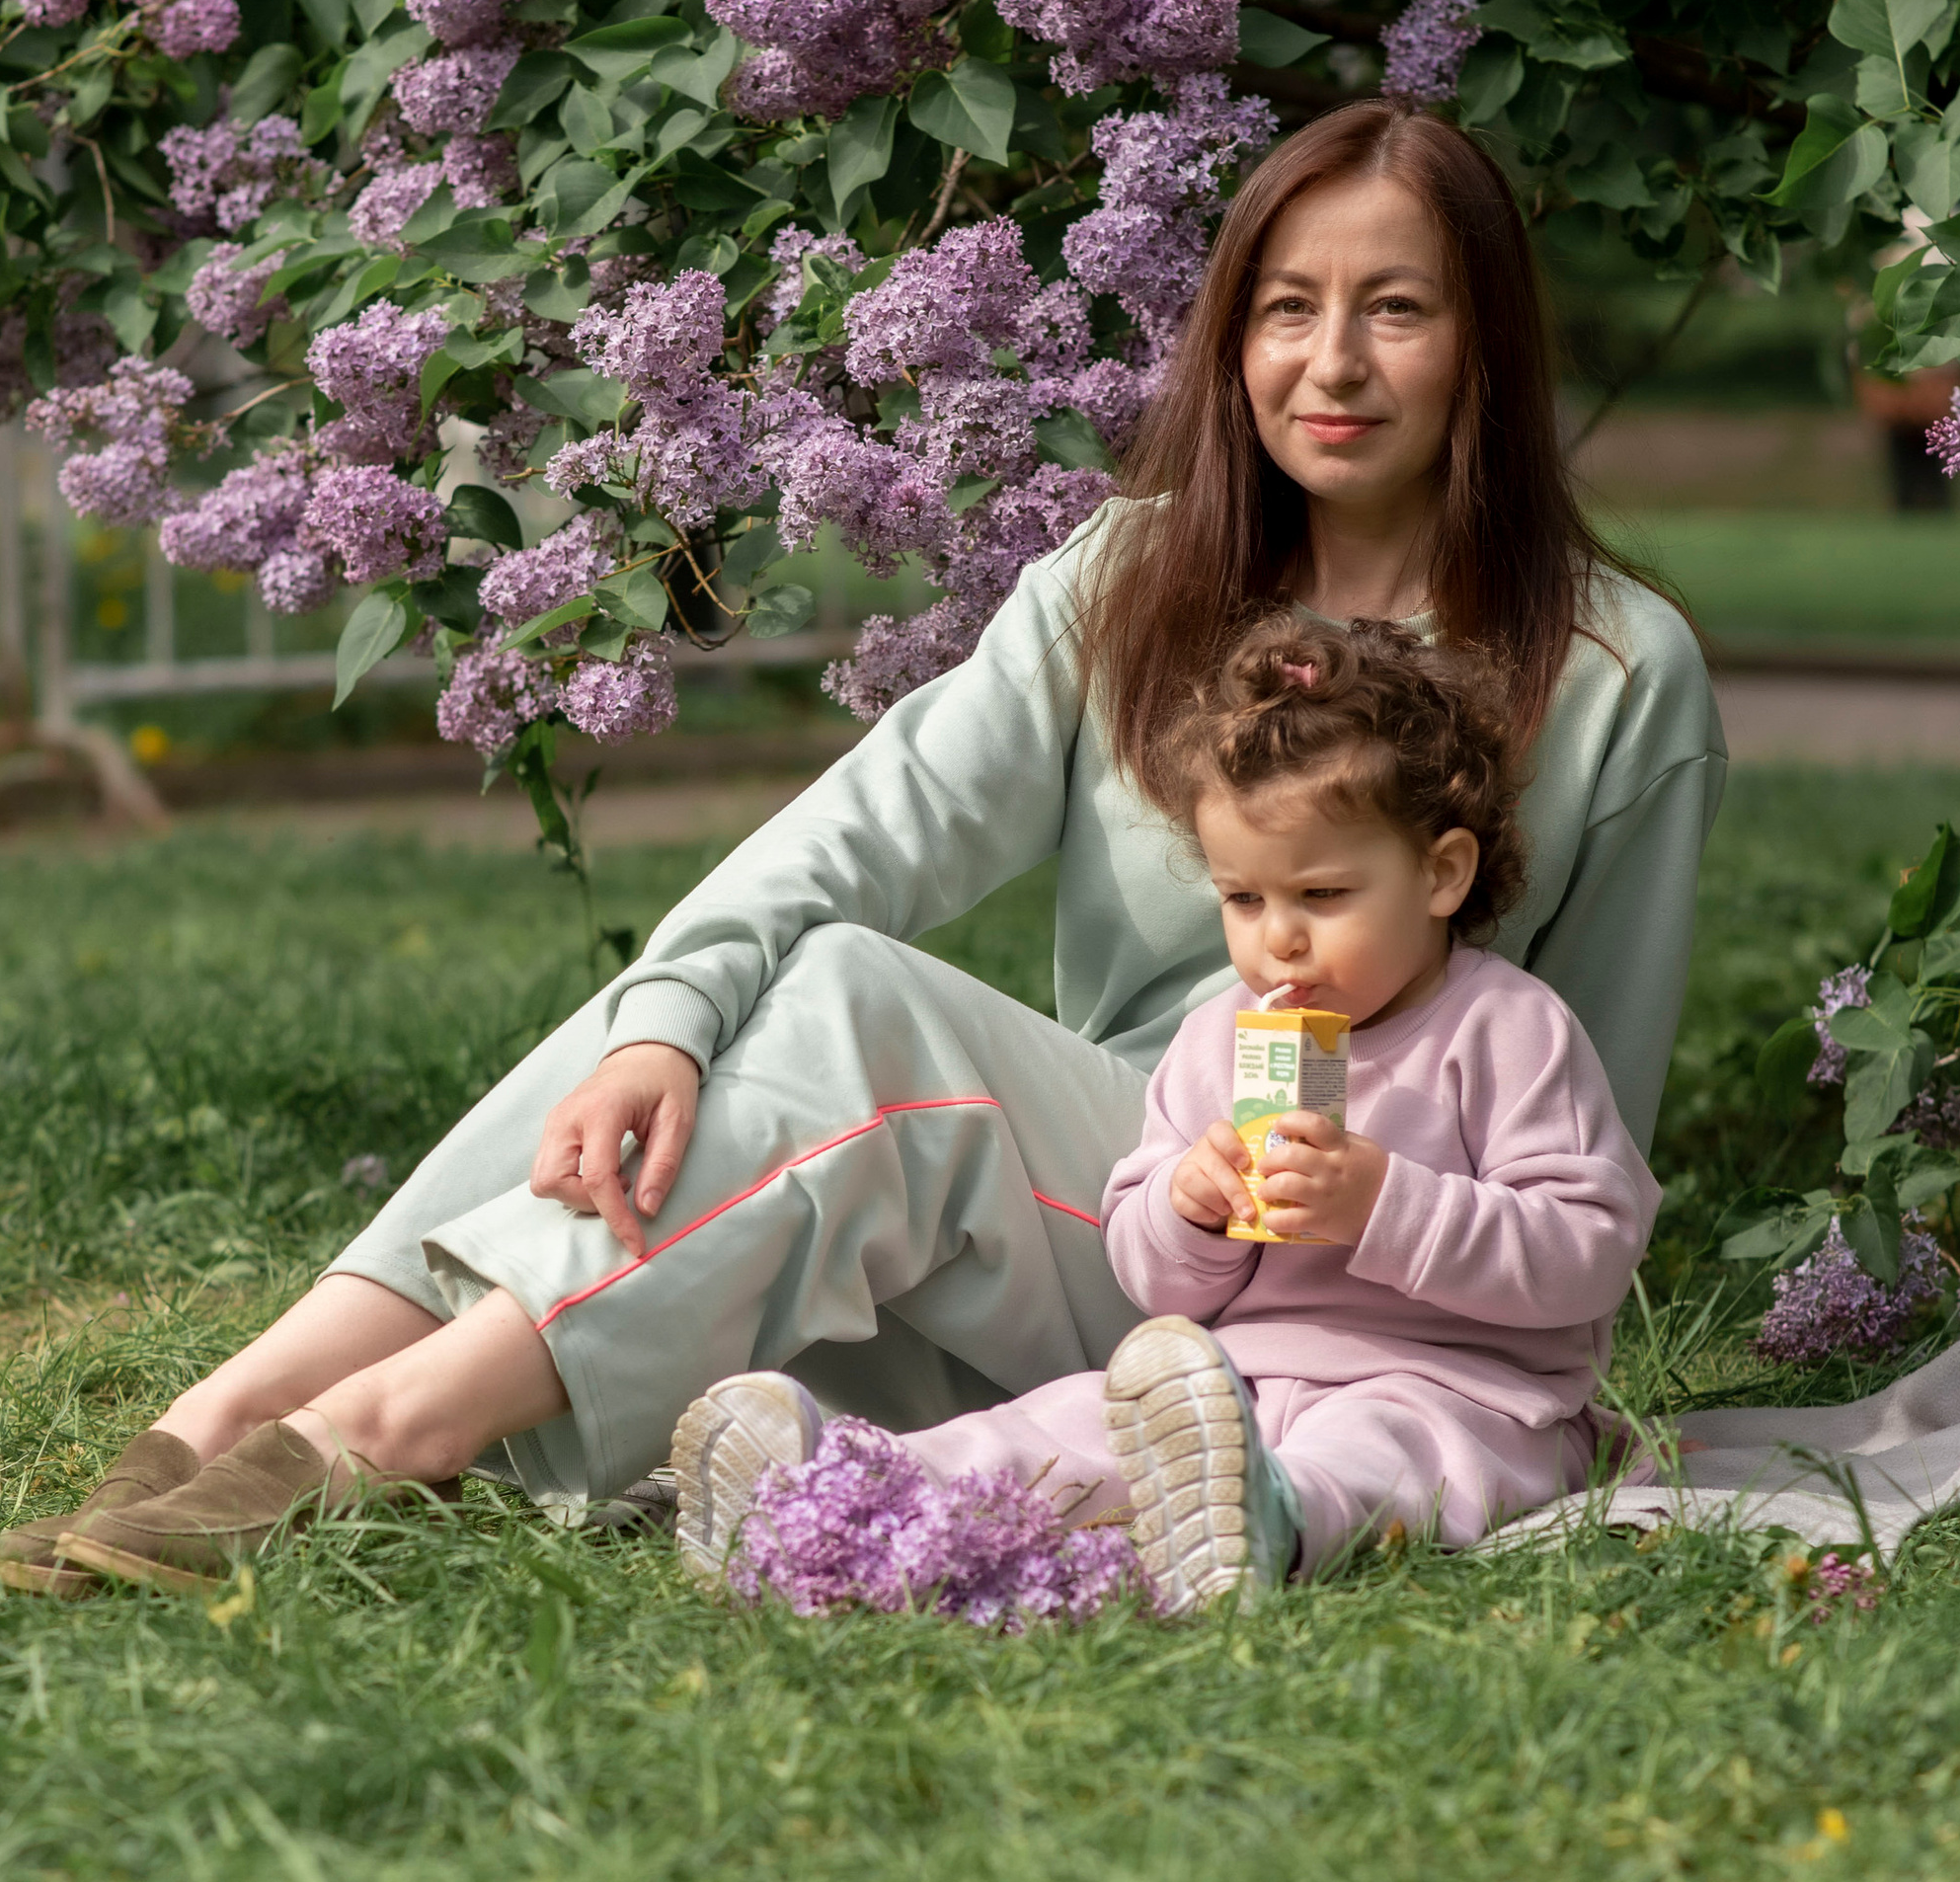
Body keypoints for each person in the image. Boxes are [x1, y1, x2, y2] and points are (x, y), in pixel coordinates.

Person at [0, 102, 1725, 1600]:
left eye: (1396, 309)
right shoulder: (1129, 581)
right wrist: (660, 1017)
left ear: (1482, 340)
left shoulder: (1616, 671)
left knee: (863, 1013)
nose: (1331, 363)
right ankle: (214, 1424)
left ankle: (385, 1431)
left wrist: (1399, 1271)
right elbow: (850, 838)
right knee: (728, 993)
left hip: (1339, 1288)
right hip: (1112, 1214)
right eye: (1286, 307)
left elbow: (1586, 1115)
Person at [667, 615, 1659, 1614]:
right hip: (1236, 1383)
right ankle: (830, 1490)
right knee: (1059, 1428)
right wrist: (1187, 1211)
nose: (1279, 941)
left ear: (1441, 874)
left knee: (1378, 1458)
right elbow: (1147, 1274)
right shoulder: (1219, 1040)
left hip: (1459, 1393)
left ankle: (1266, 1521)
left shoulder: (1504, 1029)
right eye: (1242, 899)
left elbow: (1590, 1248)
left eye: (1322, 894)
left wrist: (1384, 1204)